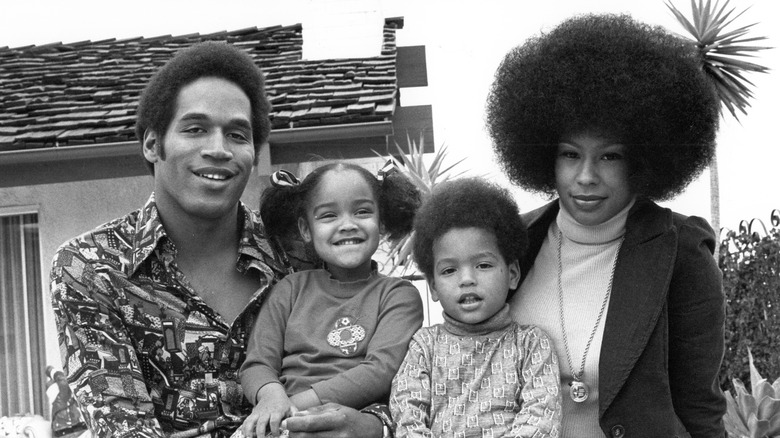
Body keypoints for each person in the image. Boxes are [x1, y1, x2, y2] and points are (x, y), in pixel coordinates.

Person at [49, 41, 389, 438]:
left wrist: (371, 427)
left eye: (237, 135)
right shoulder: (91, 267)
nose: (218, 150)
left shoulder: (300, 252)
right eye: (195, 129)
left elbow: (384, 372)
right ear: (152, 143)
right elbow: (123, 428)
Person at [485, 13, 727, 438]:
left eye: (610, 156)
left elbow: (699, 408)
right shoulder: (512, 242)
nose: (586, 177)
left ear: (642, 157)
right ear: (545, 156)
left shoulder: (680, 253)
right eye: (570, 154)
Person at [239, 163, 424, 437]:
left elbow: (380, 371)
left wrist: (293, 407)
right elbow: (258, 363)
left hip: (353, 424)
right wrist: (270, 398)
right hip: (280, 422)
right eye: (328, 215)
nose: (347, 225)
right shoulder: (289, 290)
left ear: (381, 221)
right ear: (306, 229)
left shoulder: (398, 295)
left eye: (362, 211)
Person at [390, 177, 561, 438]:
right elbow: (407, 413)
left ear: (512, 273)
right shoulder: (424, 346)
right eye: (449, 270)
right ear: (433, 286)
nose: (467, 279)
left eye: (483, 265)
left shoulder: (531, 345)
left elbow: (541, 418)